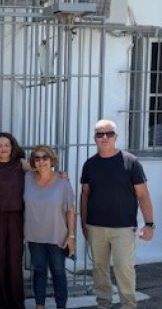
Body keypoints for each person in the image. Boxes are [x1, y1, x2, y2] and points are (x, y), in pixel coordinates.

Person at [80, 119, 154, 309]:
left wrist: (149, 224)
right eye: (100, 134)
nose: (104, 137)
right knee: (99, 269)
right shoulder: (89, 165)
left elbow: (143, 194)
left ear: (116, 137)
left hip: (124, 228)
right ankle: (103, 304)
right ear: (95, 138)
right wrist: (84, 224)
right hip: (96, 226)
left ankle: (128, 305)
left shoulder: (131, 162)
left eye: (109, 133)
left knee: (124, 268)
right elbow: (85, 194)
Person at [24, 145, 76, 309]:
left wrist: (71, 236)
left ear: (52, 160)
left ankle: (61, 305)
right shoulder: (27, 178)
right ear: (33, 162)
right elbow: (14, 160)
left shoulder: (62, 182)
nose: (41, 162)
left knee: (58, 272)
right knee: (39, 272)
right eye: (37, 158)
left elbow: (70, 211)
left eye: (45, 157)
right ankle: (40, 305)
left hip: (57, 236)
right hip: (34, 236)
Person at [0, 132, 28, 309]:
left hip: (16, 217)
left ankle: (16, 304)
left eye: (6, 145)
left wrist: (59, 175)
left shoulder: (21, 164)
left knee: (14, 262)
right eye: (0, 145)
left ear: (12, 147)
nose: (3, 149)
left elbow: (39, 174)